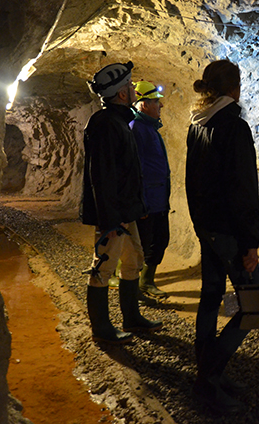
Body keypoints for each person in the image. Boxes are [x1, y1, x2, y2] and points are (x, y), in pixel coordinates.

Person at [185, 60, 259, 413]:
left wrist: (201, 227)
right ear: (234, 88)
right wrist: (251, 241)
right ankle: (206, 380)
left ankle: (209, 373)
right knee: (254, 307)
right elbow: (243, 190)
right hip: (230, 234)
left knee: (211, 298)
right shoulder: (234, 127)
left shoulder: (196, 125)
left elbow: (191, 183)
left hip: (208, 230)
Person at [81, 61, 163, 345]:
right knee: (103, 266)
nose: (133, 90)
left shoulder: (118, 121)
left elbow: (127, 171)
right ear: (121, 94)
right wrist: (110, 220)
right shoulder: (105, 124)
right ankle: (101, 328)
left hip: (126, 211)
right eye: (129, 86)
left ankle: (131, 317)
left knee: (133, 260)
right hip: (115, 215)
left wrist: (135, 209)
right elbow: (101, 176)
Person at [130, 80, 171, 300]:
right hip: (148, 200)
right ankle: (136, 287)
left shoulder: (150, 128)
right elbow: (135, 169)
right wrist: (141, 201)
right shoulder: (137, 128)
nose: (160, 106)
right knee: (144, 244)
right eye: (156, 102)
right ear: (144, 105)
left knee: (159, 240)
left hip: (158, 198)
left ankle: (146, 281)